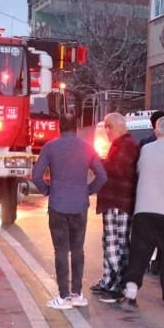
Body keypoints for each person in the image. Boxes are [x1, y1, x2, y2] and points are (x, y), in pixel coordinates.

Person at [117, 117, 164, 310]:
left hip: (144, 210)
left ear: (156, 132)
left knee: (139, 253)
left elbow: (139, 171)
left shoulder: (146, 149)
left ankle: (130, 293)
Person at [31, 114, 107, 310]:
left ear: (59, 127)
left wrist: (48, 190)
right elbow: (102, 175)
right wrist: (88, 191)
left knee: (61, 251)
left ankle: (63, 296)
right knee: (78, 250)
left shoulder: (50, 147)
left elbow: (36, 175)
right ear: (76, 128)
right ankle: (77, 294)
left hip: (58, 204)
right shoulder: (87, 148)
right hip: (79, 204)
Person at [92, 113, 139, 303]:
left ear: (115, 127)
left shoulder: (126, 145)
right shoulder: (123, 144)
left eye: (108, 128)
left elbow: (117, 169)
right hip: (116, 200)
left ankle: (118, 285)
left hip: (118, 200)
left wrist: (98, 161)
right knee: (111, 242)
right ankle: (108, 281)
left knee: (115, 243)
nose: (107, 132)